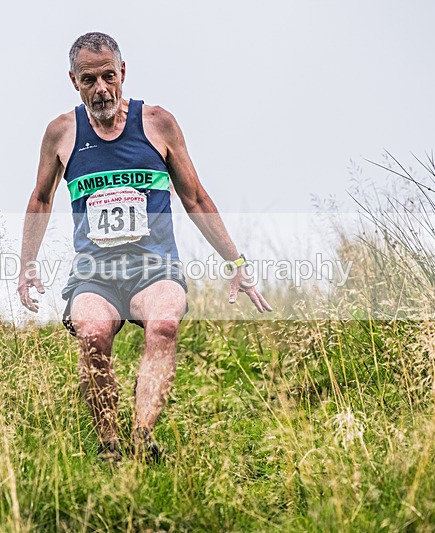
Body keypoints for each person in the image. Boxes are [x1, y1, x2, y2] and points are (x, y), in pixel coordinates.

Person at [17, 32, 272, 463]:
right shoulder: (61, 134)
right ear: (73, 81)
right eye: (89, 80)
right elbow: (41, 198)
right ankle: (109, 447)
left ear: (123, 73)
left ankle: (141, 437)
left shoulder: (157, 124)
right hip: (95, 275)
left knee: (164, 326)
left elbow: (195, 198)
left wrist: (236, 262)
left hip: (156, 269)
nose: (101, 89)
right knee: (93, 334)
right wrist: (27, 265)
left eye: (108, 76)